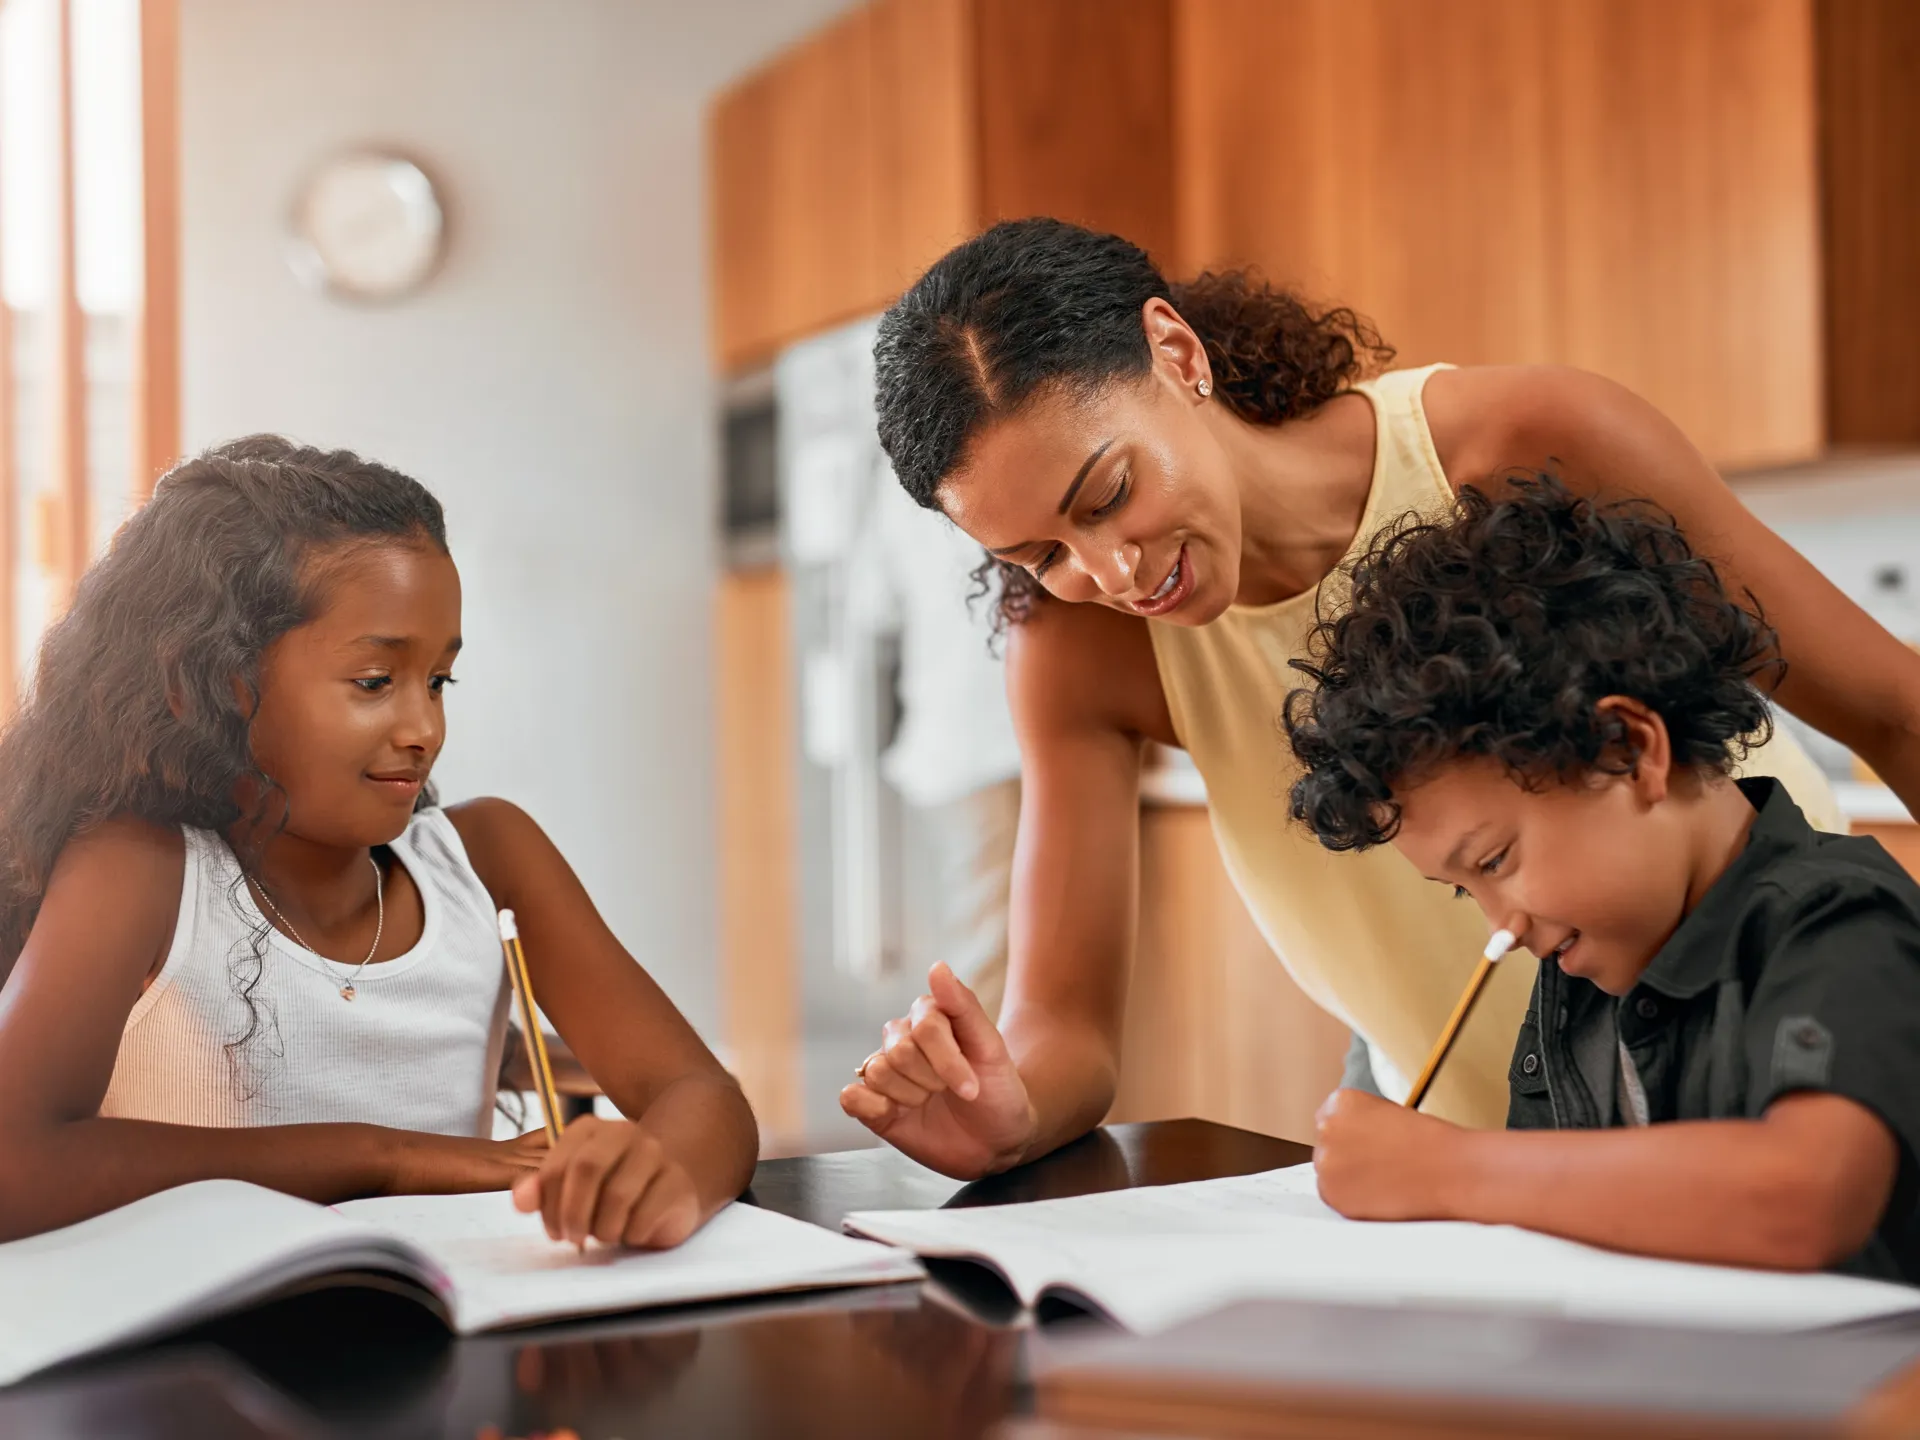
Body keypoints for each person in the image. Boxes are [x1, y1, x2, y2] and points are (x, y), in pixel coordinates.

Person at [836, 217, 1915, 1180]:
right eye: (1040, 554)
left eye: (1111, 494)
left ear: (1176, 352)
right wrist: (1008, 1113)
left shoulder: (1523, 441)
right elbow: (1063, 1024)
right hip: (1474, 1147)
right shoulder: (1077, 644)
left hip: (1765, 1053)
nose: (1110, 574)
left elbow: (1893, 712)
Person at [0, 439, 756, 1245]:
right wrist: (386, 1159)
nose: (424, 728)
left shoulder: (490, 856)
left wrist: (658, 1179)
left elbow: (702, 1097)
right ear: (211, 685)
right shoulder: (141, 868)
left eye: (439, 681)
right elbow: (16, 1167)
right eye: (374, 683)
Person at [1291, 479, 1918, 1283]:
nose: (1500, 926)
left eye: (1494, 862)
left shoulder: (1837, 922)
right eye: (1464, 890)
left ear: (1629, 749)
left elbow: (1806, 1195)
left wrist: (1450, 1169)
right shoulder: (1578, 995)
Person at [847, 450, 1022, 1017]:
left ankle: (974, 1089)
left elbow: (873, 608)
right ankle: (973, 1096)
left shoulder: (899, 471)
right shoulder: (999, 450)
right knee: (989, 953)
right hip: (985, 743)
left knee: (985, 941)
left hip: (947, 741)